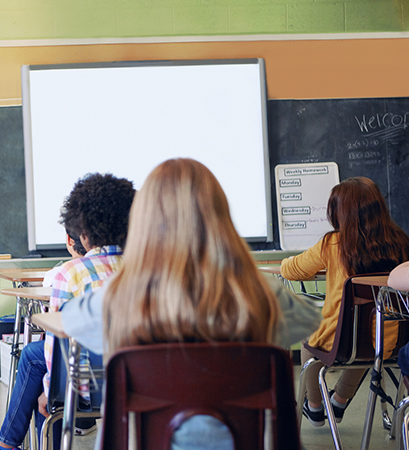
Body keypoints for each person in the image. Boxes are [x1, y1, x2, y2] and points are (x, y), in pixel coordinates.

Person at [58, 158, 321, 449]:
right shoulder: (264, 295)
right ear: (220, 215)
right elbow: (310, 321)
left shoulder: (115, 299)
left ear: (142, 221)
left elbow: (69, 321)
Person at [0, 173, 135, 450]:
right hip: (139, 381)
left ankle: (8, 444)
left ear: (81, 232)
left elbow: (58, 343)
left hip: (87, 388)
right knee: (37, 358)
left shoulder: (70, 273)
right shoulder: (146, 267)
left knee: (35, 357)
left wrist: (49, 389)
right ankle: (6, 444)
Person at [283, 176, 409, 427]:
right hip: (394, 344)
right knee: (367, 339)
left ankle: (316, 407)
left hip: (343, 343)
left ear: (339, 212)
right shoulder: (401, 242)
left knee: (310, 334)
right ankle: (339, 402)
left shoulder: (333, 244)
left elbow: (291, 270)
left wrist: (285, 262)